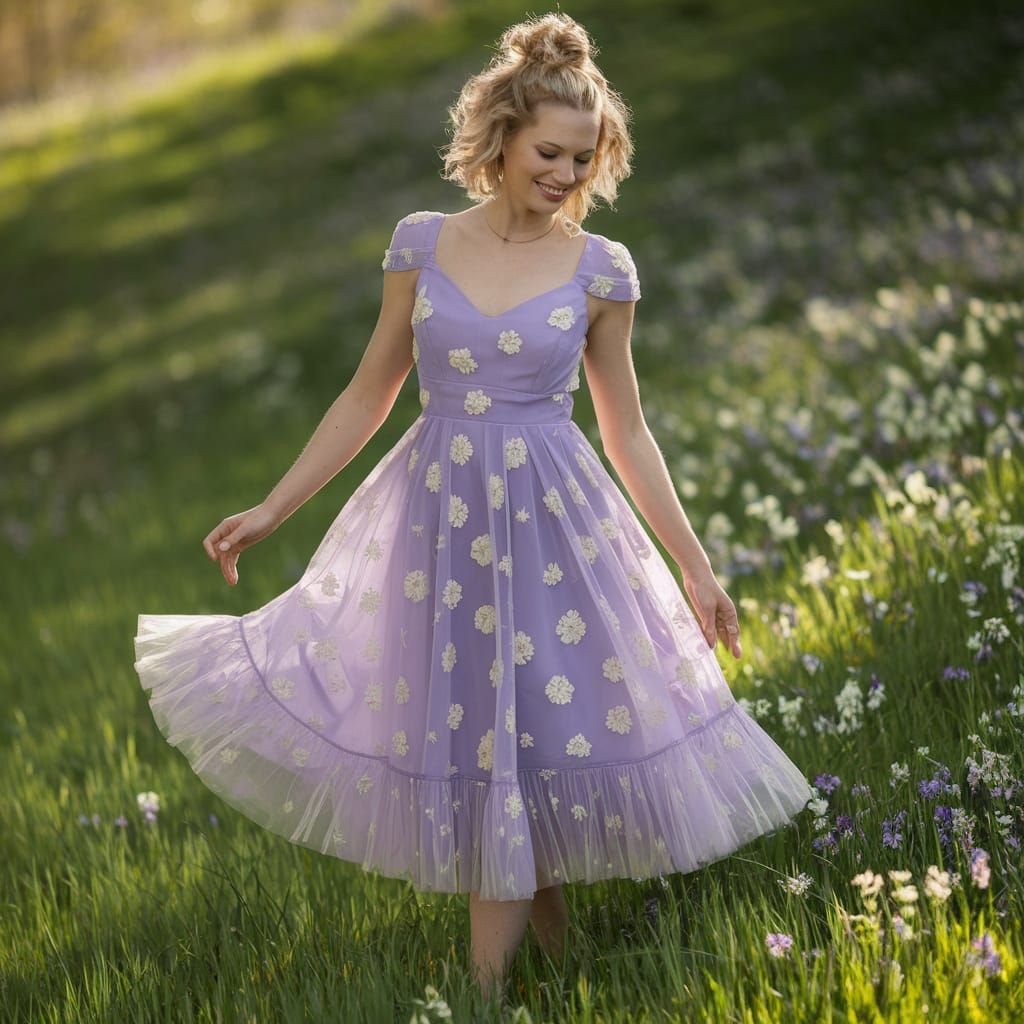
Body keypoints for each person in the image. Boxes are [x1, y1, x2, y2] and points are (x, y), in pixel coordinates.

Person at [133, 10, 813, 1005]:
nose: (565, 173)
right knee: (485, 734)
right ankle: (547, 972)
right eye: (549, 151)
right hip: (439, 525)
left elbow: (626, 430)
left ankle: (484, 996)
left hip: (551, 527)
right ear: (499, 138)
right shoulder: (420, 246)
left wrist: (694, 565)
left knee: (528, 732)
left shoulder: (599, 270)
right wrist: (274, 506)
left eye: (583, 158)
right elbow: (369, 391)